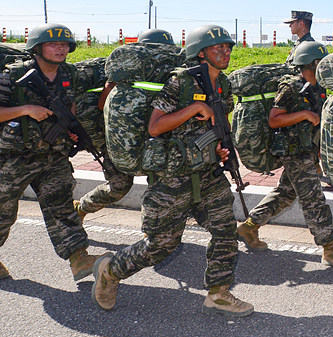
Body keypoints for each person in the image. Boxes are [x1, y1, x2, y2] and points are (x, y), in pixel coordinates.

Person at [92, 24, 253, 317]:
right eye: (219, 47)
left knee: (225, 230)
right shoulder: (181, 82)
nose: (226, 51)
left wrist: (216, 148)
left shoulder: (222, 84)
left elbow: (216, 125)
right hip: (173, 175)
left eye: (228, 47)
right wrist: (192, 109)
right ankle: (110, 271)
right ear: (200, 53)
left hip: (207, 172)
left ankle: (218, 292)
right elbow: (155, 126)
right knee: (161, 245)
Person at [236, 41, 333, 269]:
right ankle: (330, 248)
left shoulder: (318, 86)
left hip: (307, 149)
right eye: (321, 62)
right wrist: (303, 114)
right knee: (313, 199)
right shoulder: (291, 86)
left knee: (285, 193)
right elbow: (274, 119)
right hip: (292, 152)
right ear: (311, 63)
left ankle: (249, 227)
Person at [0, 24, 99, 281]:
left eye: (65, 45)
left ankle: (79, 258)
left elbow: (71, 102)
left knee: (62, 207)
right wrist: (25, 110)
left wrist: (69, 127)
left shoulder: (69, 72)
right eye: (53, 44)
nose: (61, 49)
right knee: (3, 211)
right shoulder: (12, 75)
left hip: (53, 154)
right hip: (13, 158)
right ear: (37, 48)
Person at [74, 29, 174, 222]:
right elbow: (103, 104)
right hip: (118, 136)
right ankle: (81, 208)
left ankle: (152, 231)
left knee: (157, 184)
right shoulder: (125, 72)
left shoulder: (172, 77)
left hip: (154, 137)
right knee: (119, 185)